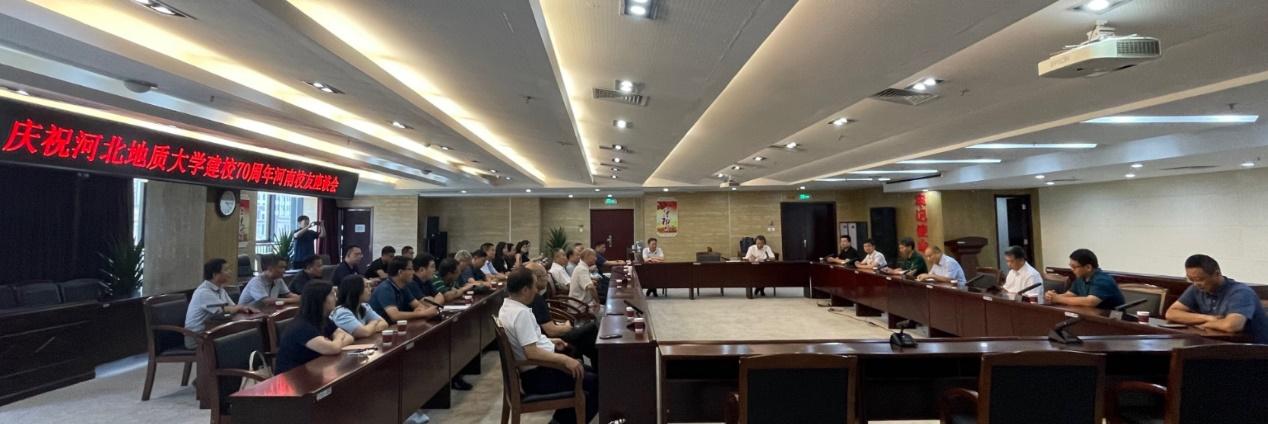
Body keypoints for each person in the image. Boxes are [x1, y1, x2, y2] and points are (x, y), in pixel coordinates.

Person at [497, 269, 598, 424]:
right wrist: (565, 360)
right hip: (538, 376)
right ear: (525, 290)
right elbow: (532, 353)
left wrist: (550, 341)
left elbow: (526, 341)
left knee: (591, 375)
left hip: (537, 370)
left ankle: (559, 421)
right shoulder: (521, 313)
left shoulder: (506, 308)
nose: (537, 290)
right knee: (597, 384)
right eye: (534, 286)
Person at [1166, 254, 1268, 343]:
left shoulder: (1240, 292)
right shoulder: (1196, 288)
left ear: (1217, 274)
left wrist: (1207, 325)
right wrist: (1207, 318)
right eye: (1191, 279)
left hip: (1253, 350)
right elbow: (1171, 313)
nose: (1196, 284)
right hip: (1219, 344)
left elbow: (1232, 325)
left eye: (1200, 279)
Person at [273, 282, 353, 374]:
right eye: (332, 294)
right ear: (320, 299)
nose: (336, 298)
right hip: (292, 376)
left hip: (315, 368)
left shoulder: (322, 319)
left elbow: (349, 337)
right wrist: (338, 338)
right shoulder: (302, 326)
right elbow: (333, 349)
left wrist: (335, 342)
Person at [526, 263, 599, 365]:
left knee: (587, 338)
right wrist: (567, 326)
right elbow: (551, 331)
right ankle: (599, 366)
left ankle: (595, 365)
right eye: (545, 275)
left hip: (545, 336)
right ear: (536, 279)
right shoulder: (536, 299)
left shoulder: (529, 297)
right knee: (591, 329)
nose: (547, 279)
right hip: (550, 340)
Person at [184, 258, 258, 349]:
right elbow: (224, 310)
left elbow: (232, 307)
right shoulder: (203, 292)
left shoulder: (220, 289)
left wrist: (240, 308)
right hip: (197, 337)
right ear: (215, 275)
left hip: (212, 330)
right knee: (242, 339)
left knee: (247, 334)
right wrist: (240, 307)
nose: (230, 272)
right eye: (226, 270)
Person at [1045, 249, 1125, 309]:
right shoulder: (1081, 278)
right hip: (1092, 316)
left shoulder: (1103, 280)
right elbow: (1070, 295)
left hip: (1112, 320)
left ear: (1088, 267)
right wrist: (1052, 296)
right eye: (1070, 266)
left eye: (1074, 267)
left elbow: (1090, 302)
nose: (1072, 269)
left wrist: (1058, 299)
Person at [368, 256, 439, 322]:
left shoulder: (403, 286)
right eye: (410, 269)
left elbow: (418, 305)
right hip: (381, 328)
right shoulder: (385, 288)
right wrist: (423, 313)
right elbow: (395, 316)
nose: (413, 272)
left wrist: (420, 310)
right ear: (400, 272)